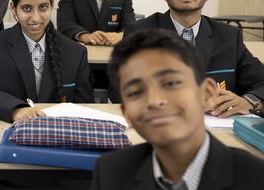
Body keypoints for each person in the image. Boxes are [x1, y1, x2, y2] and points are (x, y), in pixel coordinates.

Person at [91, 29, 264, 189]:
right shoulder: (110, 172)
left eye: (171, 83)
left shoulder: (254, 178)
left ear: (206, 93)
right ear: (126, 113)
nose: (155, 101)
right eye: (136, 92)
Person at [124, 0, 264, 116]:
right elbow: (119, 88)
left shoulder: (229, 36)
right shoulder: (139, 33)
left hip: (219, 130)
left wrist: (250, 101)